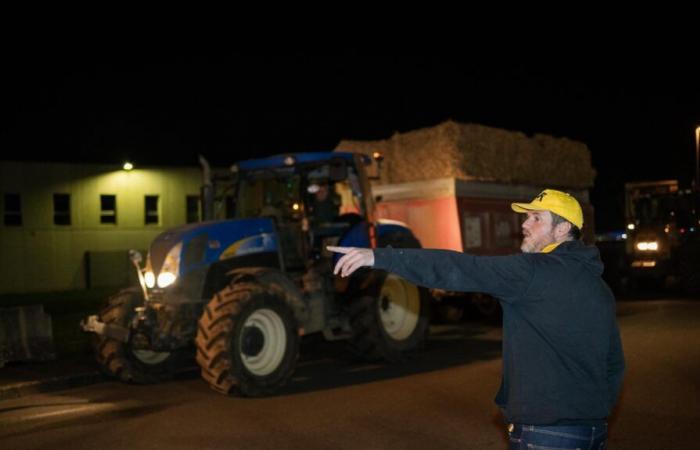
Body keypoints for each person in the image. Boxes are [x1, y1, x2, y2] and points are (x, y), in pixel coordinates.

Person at [328, 189, 624, 449]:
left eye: (536, 218)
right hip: (591, 430)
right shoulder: (599, 287)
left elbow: (461, 267)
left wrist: (379, 258)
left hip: (547, 432)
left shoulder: (532, 271)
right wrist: (590, 411)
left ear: (562, 230)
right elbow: (613, 365)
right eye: (527, 217)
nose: (524, 224)